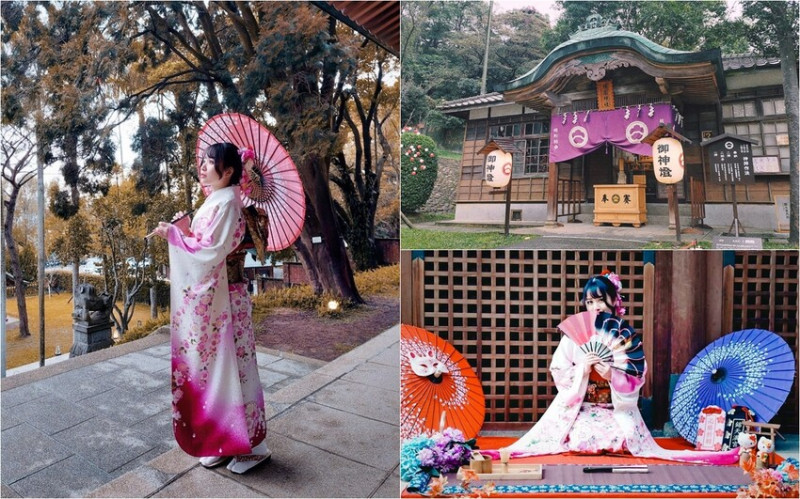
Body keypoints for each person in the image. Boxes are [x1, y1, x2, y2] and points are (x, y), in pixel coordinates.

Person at [484, 271, 738, 465]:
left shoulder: (624, 336)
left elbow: (638, 376)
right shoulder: (574, 336)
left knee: (623, 437)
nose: (595, 307)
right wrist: (582, 371)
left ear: (613, 302)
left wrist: (613, 375)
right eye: (590, 301)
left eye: (601, 301)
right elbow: (559, 370)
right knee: (581, 437)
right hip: (582, 407)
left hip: (615, 408)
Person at [150, 142, 270, 474]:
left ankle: (255, 447)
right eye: (201, 161)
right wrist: (184, 231)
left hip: (227, 300)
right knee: (219, 372)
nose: (202, 166)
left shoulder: (229, 203)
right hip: (221, 296)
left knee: (236, 370)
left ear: (229, 171)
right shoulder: (217, 200)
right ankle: (222, 439)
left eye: (210, 162)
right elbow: (206, 245)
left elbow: (211, 251)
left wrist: (176, 235)